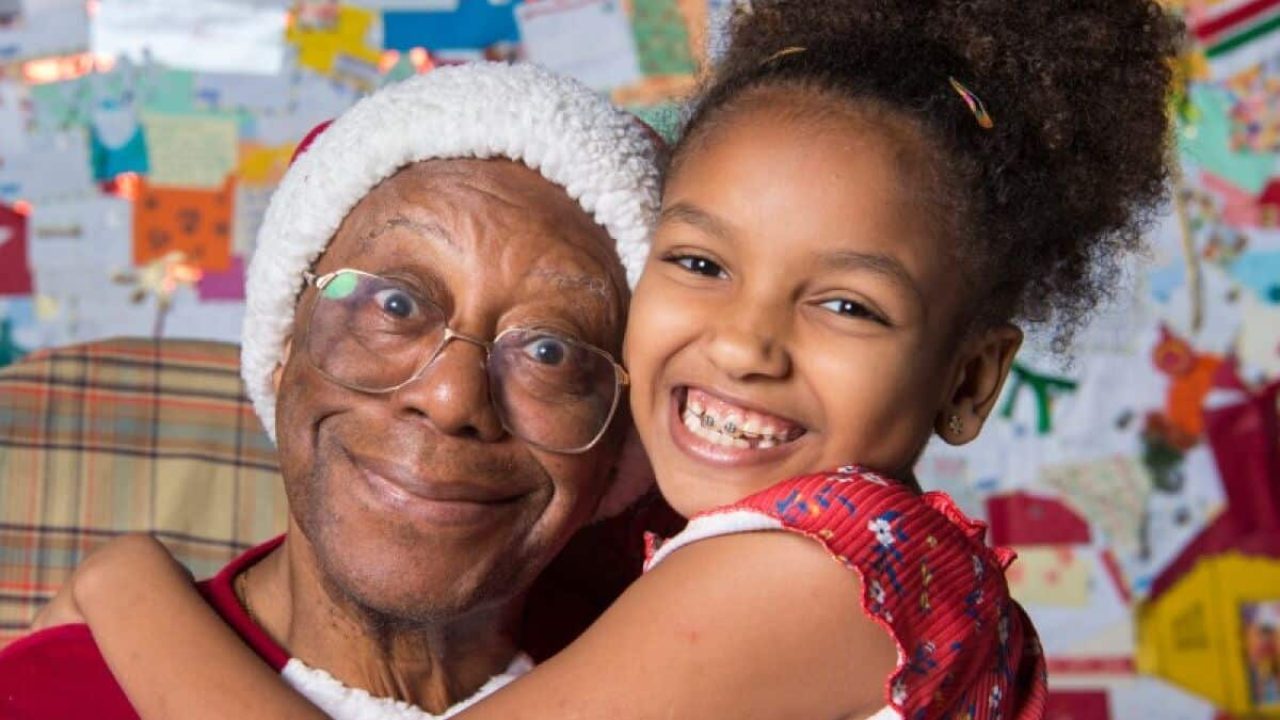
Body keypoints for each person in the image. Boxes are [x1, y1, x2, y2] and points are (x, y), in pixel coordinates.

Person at [20, 0, 1182, 716]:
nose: (741, 343)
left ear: (968, 381)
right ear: (279, 346)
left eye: (547, 347)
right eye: (701, 265)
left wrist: (128, 584)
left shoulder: (797, 575)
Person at [0, 62, 666, 720]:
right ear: (284, 343)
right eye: (397, 306)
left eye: (550, 352)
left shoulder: (687, 675)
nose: (451, 398)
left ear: (619, 453)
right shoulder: (48, 697)